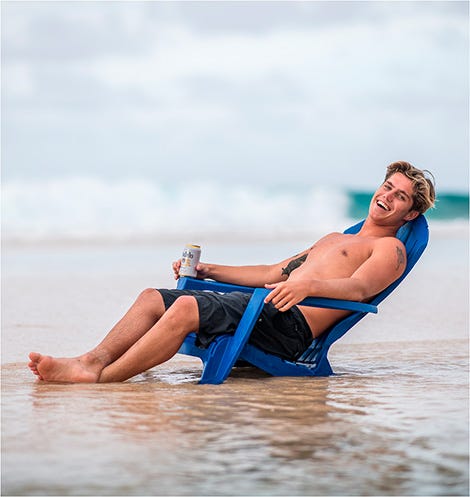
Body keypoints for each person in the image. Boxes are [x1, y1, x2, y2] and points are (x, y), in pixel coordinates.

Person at [28, 161, 435, 383]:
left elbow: (360, 288)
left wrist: (309, 284)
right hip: (263, 305)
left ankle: (102, 380)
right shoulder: (333, 238)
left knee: (186, 308)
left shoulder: (391, 248)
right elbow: (275, 271)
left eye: (400, 197)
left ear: (410, 213)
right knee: (152, 297)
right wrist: (209, 269)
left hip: (288, 326)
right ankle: (89, 361)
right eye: (387, 186)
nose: (387, 197)